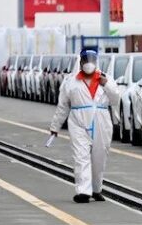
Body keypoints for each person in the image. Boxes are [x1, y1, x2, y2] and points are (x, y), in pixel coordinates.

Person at [49, 49, 121, 203]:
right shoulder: (71, 81)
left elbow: (116, 99)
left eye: (92, 60)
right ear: (80, 62)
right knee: (81, 156)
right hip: (78, 122)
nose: (89, 63)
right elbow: (63, 106)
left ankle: (96, 189)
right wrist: (55, 126)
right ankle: (83, 191)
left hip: (101, 121)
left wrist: (106, 85)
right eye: (85, 60)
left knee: (99, 157)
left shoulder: (106, 79)